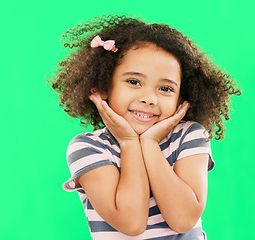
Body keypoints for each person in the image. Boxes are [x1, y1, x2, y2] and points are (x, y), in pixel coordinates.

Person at [48, 15, 241, 240]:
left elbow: (183, 219)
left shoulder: (189, 136)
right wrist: (129, 142)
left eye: (166, 89)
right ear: (104, 85)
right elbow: (131, 223)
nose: (149, 98)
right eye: (134, 82)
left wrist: (149, 144)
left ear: (181, 98)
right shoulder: (89, 147)